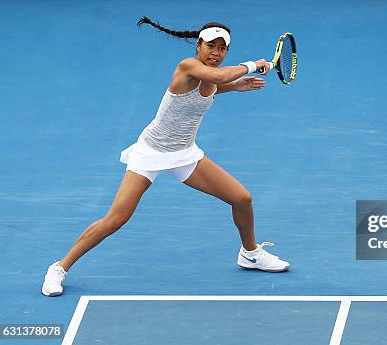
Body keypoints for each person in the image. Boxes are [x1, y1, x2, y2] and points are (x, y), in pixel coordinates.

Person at [41, 17, 290, 297]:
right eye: (210, 46)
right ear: (198, 45)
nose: (215, 53)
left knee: (242, 198)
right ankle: (59, 267)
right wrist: (254, 64)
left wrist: (236, 86)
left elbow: (212, 86)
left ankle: (250, 253)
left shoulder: (210, 74)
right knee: (116, 218)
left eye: (222, 49)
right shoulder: (188, 66)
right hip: (151, 153)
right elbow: (217, 77)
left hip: (184, 154)